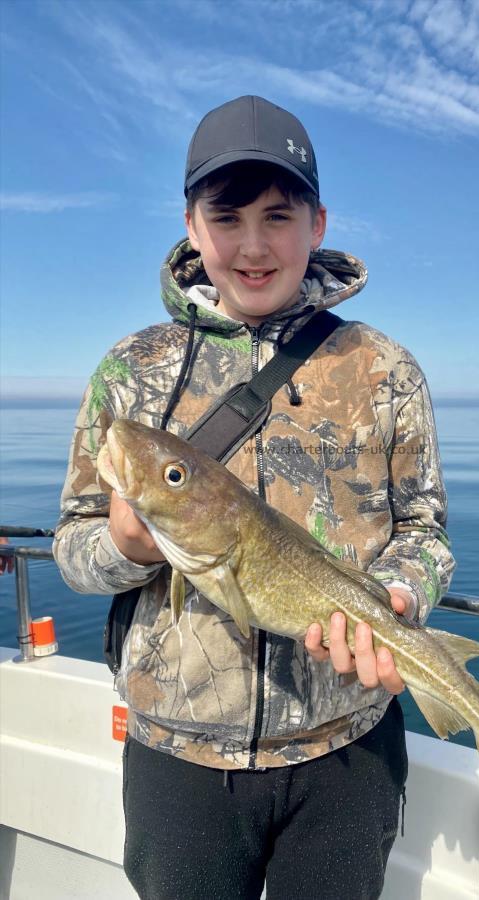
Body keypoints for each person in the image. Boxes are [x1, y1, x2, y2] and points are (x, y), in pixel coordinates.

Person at [54, 95, 455, 900]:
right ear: (192, 227)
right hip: (179, 757)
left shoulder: (383, 368)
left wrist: (403, 594)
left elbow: (425, 528)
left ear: (318, 223)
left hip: (347, 748)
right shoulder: (129, 372)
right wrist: (124, 548)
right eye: (226, 216)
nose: (252, 244)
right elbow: (73, 547)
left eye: (278, 216)